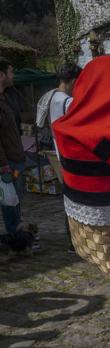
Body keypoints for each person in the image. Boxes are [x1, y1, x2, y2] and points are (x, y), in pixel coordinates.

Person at [0, 56, 28, 254]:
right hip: (7, 162)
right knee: (9, 201)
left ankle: (17, 235)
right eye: (10, 72)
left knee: (15, 200)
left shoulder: (8, 97)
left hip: (15, 158)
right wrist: (3, 165)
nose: (13, 75)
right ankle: (14, 238)